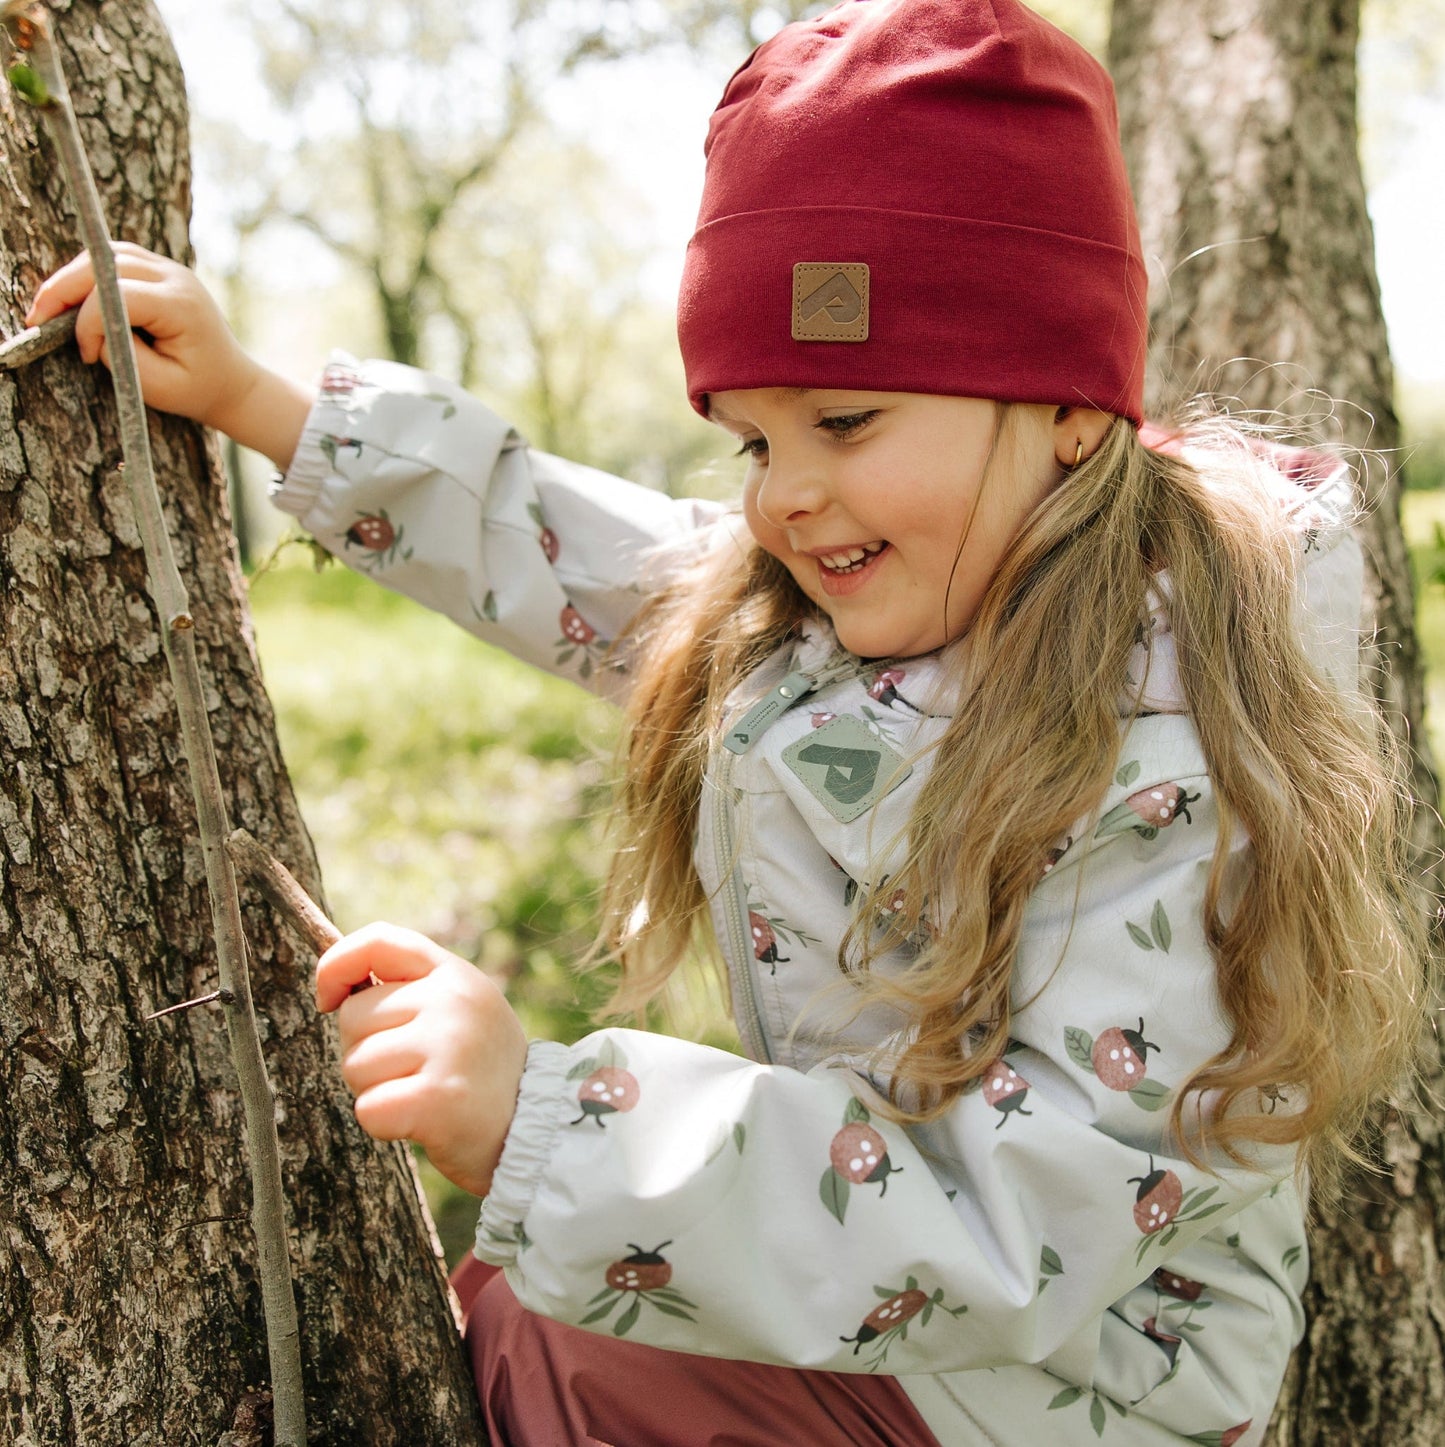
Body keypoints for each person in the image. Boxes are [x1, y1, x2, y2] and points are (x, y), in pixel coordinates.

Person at [28, 1, 1424, 1442]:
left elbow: (1024, 1222)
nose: (781, 494)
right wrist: (266, 405)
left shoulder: (1164, 756)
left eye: (846, 422)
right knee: (531, 1309)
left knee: (564, 1343)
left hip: (1074, 1379)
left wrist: (551, 1122)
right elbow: (572, 549)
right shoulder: (829, 608)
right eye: (753, 437)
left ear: (1066, 405)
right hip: (912, 1311)